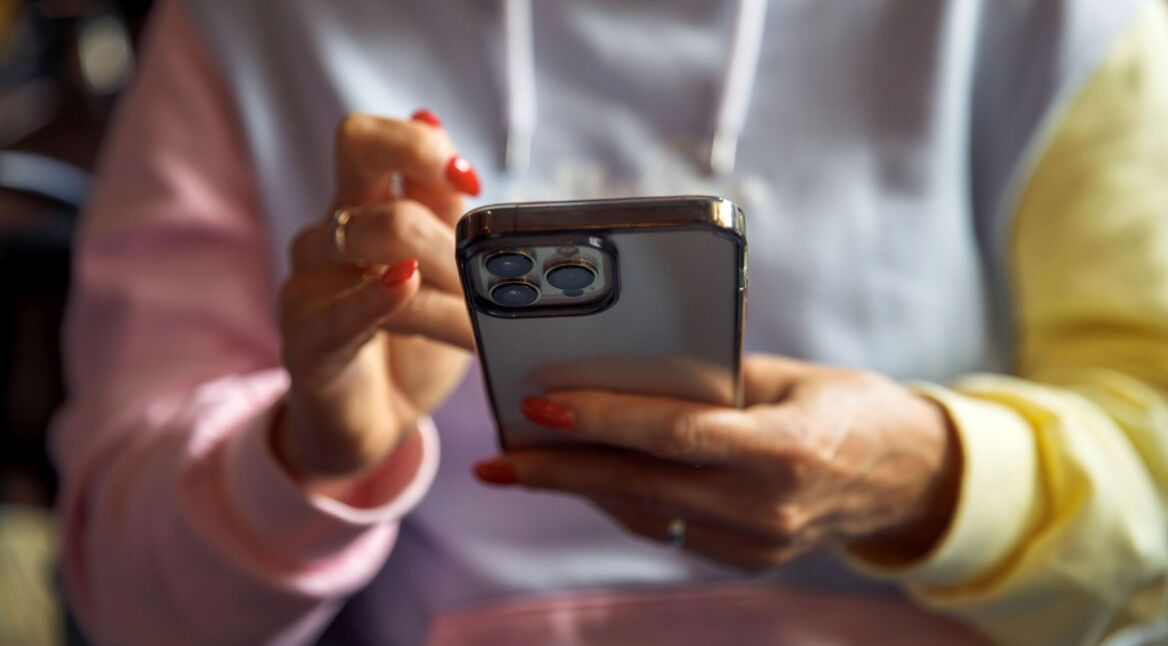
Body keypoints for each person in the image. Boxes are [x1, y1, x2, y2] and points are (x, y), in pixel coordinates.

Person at [51, 0, 1168, 644]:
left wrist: (934, 477)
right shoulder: (252, 28)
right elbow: (126, 603)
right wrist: (311, 457)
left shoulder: (1064, 20)